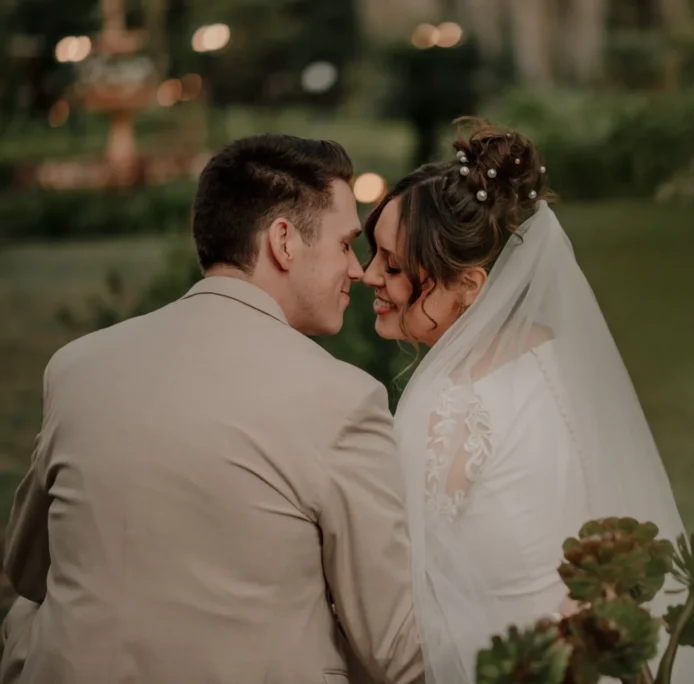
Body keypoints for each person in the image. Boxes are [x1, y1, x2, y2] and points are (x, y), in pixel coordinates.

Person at [0, 134, 423, 684]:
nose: (358, 269)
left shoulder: (76, 366)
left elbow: (27, 570)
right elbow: (394, 650)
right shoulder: (342, 400)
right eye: (346, 244)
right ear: (284, 242)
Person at [361, 118, 694, 684]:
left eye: (393, 264)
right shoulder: (551, 353)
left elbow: (405, 594)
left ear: (470, 287)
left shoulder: (446, 405)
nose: (367, 275)